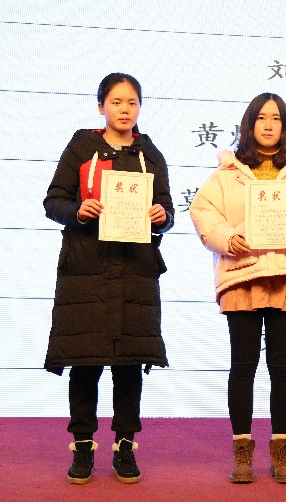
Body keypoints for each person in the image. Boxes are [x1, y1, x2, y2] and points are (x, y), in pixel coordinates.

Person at [189, 93, 286, 484]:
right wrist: (227, 238)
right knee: (243, 366)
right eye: (261, 118)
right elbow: (203, 211)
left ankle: (281, 453)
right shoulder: (228, 172)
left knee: (282, 368)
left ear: (284, 125)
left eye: (276, 118)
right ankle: (242, 452)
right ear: (249, 123)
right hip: (243, 275)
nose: (269, 125)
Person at [43, 72, 174, 485]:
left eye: (132, 102)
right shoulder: (82, 147)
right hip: (87, 270)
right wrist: (77, 211)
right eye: (116, 102)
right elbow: (53, 201)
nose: (125, 109)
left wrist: (162, 216)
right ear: (101, 106)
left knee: (129, 364)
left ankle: (125, 446)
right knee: (85, 363)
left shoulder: (150, 153)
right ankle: (83, 446)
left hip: (135, 272)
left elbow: (167, 209)